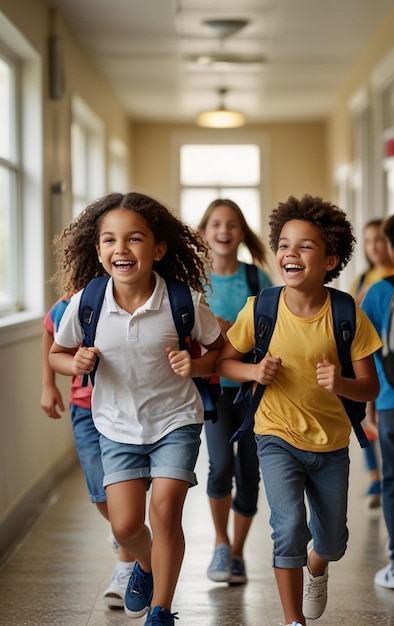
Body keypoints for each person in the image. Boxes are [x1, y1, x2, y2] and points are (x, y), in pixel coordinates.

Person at [48, 192, 224, 626]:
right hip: (115, 424)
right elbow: (57, 351)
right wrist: (75, 362)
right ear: (98, 251)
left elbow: (222, 349)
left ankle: (161, 610)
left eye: (134, 239)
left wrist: (197, 363)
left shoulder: (183, 301)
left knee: (164, 512)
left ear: (158, 249)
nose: (120, 249)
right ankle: (145, 566)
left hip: (176, 421)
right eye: (109, 240)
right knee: (125, 527)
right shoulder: (86, 304)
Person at [215, 194, 382, 626]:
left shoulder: (347, 314)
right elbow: (224, 363)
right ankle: (294, 621)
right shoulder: (261, 309)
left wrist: (340, 382)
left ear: (331, 260)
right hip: (276, 437)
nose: (291, 253)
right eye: (284, 244)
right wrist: (253, 373)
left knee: (331, 542)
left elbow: (370, 387)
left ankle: (319, 566)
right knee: (287, 528)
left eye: (305, 246)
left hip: (330, 445)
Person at [41, 297, 136, 609]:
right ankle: (127, 536)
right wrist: (48, 385)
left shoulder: (135, 295)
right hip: (85, 408)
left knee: (124, 489)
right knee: (101, 494)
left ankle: (126, 567)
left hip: (125, 407)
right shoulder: (71, 303)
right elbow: (51, 334)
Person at [198, 198, 274, 586]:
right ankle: (220, 544)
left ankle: (239, 554)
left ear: (241, 232)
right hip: (212, 392)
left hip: (253, 392)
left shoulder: (257, 279)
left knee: (249, 474)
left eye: (231, 224)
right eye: (215, 224)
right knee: (220, 467)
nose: (223, 231)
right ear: (204, 232)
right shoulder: (195, 281)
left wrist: (239, 333)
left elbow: (278, 328)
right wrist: (216, 332)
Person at [361, 209, 394, 590]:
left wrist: (369, 406)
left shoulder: (380, 291)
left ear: (393, 249)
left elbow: (362, 351)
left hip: (393, 401)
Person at [350, 219, 394, 508]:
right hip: (370, 357)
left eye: (379, 240)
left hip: (393, 360)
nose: (374, 247)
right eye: (368, 242)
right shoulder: (363, 278)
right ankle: (375, 478)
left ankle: (391, 477)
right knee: (365, 419)